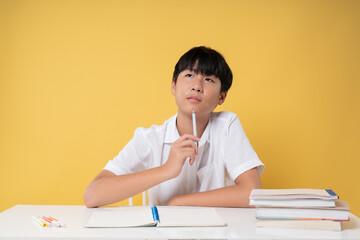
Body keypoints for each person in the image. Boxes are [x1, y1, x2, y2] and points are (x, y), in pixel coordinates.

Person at [83, 46, 264, 208]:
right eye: (189, 75)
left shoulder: (227, 125)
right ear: (173, 86)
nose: (197, 86)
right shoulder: (150, 138)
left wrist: (180, 202)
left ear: (221, 97)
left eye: (208, 79)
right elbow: (93, 195)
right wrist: (166, 169)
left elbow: (251, 193)